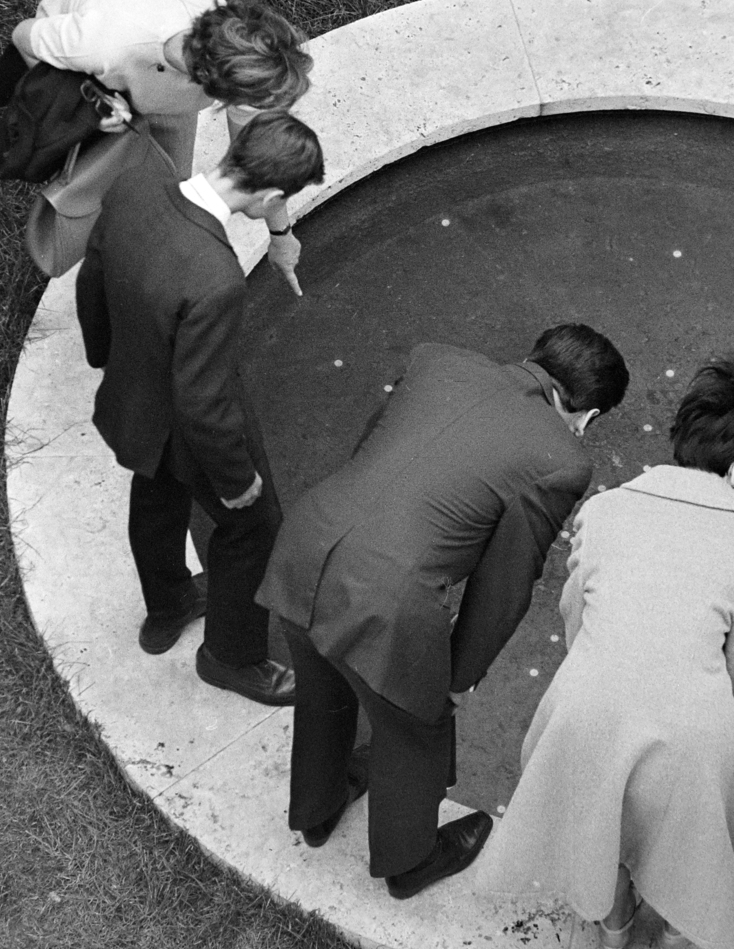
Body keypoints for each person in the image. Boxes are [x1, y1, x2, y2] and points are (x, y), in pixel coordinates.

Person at [257, 324, 629, 900]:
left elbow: (371, 448)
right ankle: (409, 862)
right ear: (586, 414)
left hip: (307, 546)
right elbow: (505, 584)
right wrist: (458, 677)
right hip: (387, 600)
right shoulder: (561, 460)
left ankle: (317, 811)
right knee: (418, 728)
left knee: (323, 687)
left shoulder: (437, 360)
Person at [476, 352, 734, 949]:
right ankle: (675, 932)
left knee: (604, 821)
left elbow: (577, 616)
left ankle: (613, 927)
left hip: (583, 708)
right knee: (687, 837)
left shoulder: (603, 510)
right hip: (690, 730)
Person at [75, 110, 325, 705]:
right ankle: (231, 658)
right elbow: (204, 403)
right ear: (267, 194)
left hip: (133, 398)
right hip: (184, 423)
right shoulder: (216, 279)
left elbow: (94, 278)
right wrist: (239, 483)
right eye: (281, 200)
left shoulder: (135, 185)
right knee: (254, 529)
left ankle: (167, 607)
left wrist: (110, 357)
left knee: (155, 490)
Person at [13, 0, 313, 283]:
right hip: (93, 49)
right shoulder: (102, 45)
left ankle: (141, 258)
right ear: (213, 85)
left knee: (168, 178)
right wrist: (89, 104)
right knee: (103, 177)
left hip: (159, 61)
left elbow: (259, 154)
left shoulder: (235, 51)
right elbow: (23, 35)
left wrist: (281, 235)